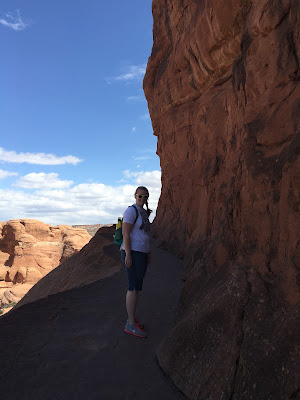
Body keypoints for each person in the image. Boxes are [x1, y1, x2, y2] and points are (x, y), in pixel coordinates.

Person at [121, 186, 152, 338]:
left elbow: (145, 234)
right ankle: (130, 325)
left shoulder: (143, 212)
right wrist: (128, 254)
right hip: (132, 252)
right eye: (140, 196)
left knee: (137, 286)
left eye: (145, 197)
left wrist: (148, 252)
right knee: (132, 287)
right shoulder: (131, 211)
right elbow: (125, 233)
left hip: (141, 252)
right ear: (135, 196)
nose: (142, 199)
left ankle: (132, 319)